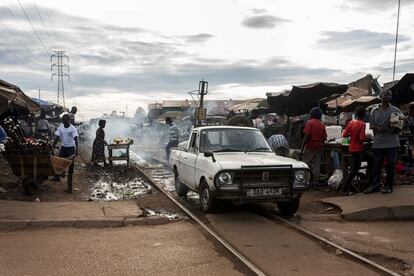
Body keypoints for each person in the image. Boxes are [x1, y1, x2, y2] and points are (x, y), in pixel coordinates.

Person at [364, 89, 402, 194]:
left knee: (391, 165)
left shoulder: (396, 110)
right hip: (378, 143)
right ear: (381, 96)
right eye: (386, 94)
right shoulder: (374, 111)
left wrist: (395, 127)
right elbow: (372, 126)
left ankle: (388, 186)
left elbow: (399, 128)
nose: (389, 96)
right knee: (376, 166)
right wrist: (378, 129)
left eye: (390, 94)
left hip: (392, 143)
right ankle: (375, 186)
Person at [341, 106, 372, 195]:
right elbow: (362, 138)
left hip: (351, 148)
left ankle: (368, 182)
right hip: (358, 149)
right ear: (364, 114)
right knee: (355, 170)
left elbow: (344, 134)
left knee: (370, 159)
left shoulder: (350, 123)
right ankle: (344, 189)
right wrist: (368, 139)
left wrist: (353, 134)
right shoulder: (362, 124)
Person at [300, 107, 327, 186]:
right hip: (319, 146)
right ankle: (315, 183)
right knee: (317, 165)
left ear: (312, 114)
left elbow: (306, 136)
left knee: (304, 163)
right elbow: (324, 138)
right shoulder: (322, 124)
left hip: (310, 146)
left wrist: (302, 148)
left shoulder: (310, 122)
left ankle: (303, 181)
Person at [52, 114, 78, 193]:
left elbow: (76, 139)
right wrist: (52, 145)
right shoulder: (61, 127)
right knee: (59, 162)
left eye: (66, 120)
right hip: (63, 147)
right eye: (63, 120)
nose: (64, 121)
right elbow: (57, 138)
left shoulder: (73, 129)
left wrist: (77, 149)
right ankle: (58, 176)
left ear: (69, 120)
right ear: (62, 120)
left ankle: (69, 188)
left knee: (70, 166)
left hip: (71, 148)